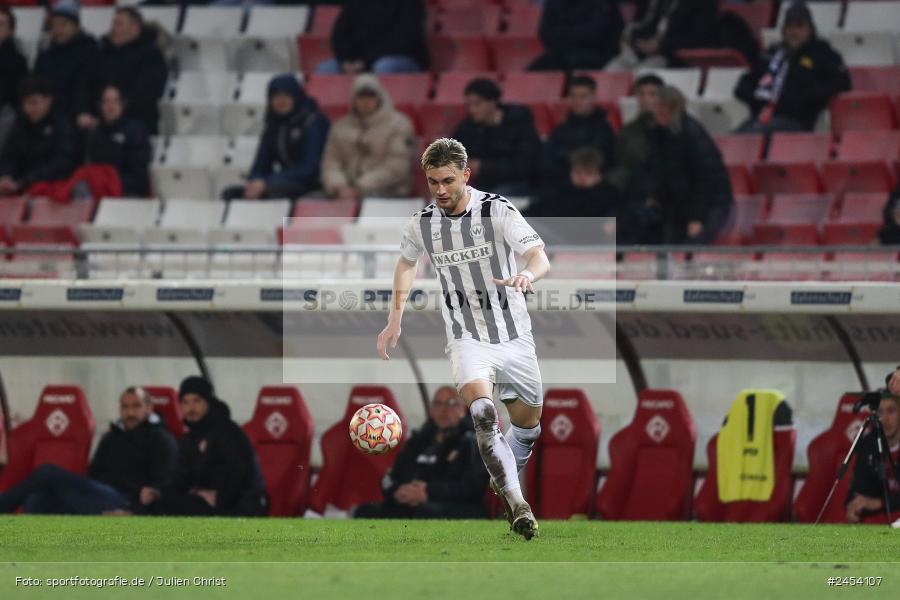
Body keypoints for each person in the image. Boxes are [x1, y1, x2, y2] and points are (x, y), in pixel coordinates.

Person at [377, 138, 552, 540]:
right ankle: (518, 504)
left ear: (466, 176)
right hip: (466, 337)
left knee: (527, 428)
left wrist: (528, 275)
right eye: (433, 181)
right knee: (483, 414)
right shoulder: (422, 223)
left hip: (515, 337)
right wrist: (394, 319)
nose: (440, 190)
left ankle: (503, 475)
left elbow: (539, 257)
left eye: (448, 181)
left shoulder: (497, 210)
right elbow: (406, 264)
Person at [0, 387, 178, 515]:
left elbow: (162, 485)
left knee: (47, 471)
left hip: (126, 500)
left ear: (149, 408)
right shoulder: (111, 437)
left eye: (136, 406)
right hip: (99, 494)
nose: (130, 412)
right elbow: (93, 473)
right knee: (37, 499)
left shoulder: (161, 439)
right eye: (125, 407)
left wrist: (133, 511)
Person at [354, 386, 489, 519]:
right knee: (365, 511)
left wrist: (428, 492)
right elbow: (391, 477)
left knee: (424, 512)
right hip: (412, 502)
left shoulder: (472, 442)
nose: (444, 410)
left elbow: (474, 487)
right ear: (432, 410)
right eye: (438, 404)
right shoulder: (418, 440)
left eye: (451, 403)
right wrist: (397, 491)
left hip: (453, 505)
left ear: (462, 409)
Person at [145, 376, 268, 517]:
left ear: (208, 402)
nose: (191, 408)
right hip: (207, 499)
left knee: (191, 507)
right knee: (163, 504)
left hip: (241, 501)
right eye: (185, 402)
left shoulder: (228, 431)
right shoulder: (189, 439)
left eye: (197, 401)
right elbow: (180, 477)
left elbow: (239, 473)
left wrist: (219, 496)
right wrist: (160, 492)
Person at [633, 85, 733, 245]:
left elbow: (706, 179)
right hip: (678, 204)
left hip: (709, 204)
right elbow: (657, 170)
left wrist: (697, 218)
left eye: (663, 107)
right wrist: (654, 195)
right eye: (657, 107)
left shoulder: (693, 134)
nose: (658, 112)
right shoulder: (657, 133)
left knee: (691, 249)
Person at [735, 2, 851, 134]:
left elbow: (842, 82)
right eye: (789, 26)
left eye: (799, 26)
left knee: (753, 134)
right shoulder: (772, 52)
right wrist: (754, 98)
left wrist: (805, 98)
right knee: (731, 141)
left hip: (795, 121)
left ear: (810, 28)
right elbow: (746, 82)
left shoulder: (821, 52)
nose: (793, 32)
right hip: (760, 118)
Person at [222, 74, 329, 201]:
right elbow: (261, 164)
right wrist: (254, 181)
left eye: (286, 95)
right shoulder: (273, 126)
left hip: (312, 182)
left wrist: (267, 182)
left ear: (297, 96)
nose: (281, 101)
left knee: (274, 189)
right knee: (231, 194)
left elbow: (310, 168)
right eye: (276, 96)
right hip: (283, 181)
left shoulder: (314, 122)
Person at [321, 75, 415, 201]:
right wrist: (338, 186)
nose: (366, 101)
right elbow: (331, 163)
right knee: (309, 202)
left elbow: (397, 166)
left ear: (380, 97)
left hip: (388, 191)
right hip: (344, 191)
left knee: (368, 200)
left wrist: (361, 186)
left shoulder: (399, 124)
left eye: (371, 96)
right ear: (353, 99)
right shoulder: (340, 127)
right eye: (361, 96)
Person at [451, 79, 541, 198]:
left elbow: (524, 165)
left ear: (493, 102)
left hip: (518, 184)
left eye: (477, 104)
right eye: (469, 105)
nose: (472, 110)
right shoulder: (468, 127)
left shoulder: (519, 124)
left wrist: (483, 167)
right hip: (484, 184)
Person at [87, 6, 168, 136]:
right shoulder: (104, 52)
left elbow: (147, 92)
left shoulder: (151, 55)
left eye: (119, 24)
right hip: (103, 122)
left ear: (135, 27)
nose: (113, 28)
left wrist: (117, 107)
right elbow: (90, 85)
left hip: (137, 123)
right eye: (113, 23)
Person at [0, 77, 78, 197]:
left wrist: (27, 181)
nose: (29, 108)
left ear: (48, 100)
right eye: (25, 103)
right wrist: (6, 176)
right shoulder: (21, 124)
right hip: (18, 188)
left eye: (34, 102)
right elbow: (9, 155)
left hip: (52, 191)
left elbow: (62, 162)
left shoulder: (62, 125)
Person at [541, 75, 616, 194]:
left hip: (591, 187)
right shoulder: (561, 129)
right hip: (560, 183)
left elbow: (597, 159)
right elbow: (548, 158)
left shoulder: (604, 130)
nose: (577, 101)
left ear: (593, 97)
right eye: (573, 96)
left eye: (583, 96)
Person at [528, 147, 621, 238]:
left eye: (589, 173)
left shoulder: (611, 196)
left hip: (596, 245)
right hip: (559, 242)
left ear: (599, 174)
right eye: (578, 172)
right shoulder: (559, 192)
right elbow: (535, 212)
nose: (583, 177)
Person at [845, 374, 900, 524]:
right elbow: (859, 488)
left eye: (891, 411)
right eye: (880, 413)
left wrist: (879, 502)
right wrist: (853, 505)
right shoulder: (868, 444)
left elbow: (875, 501)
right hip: (883, 518)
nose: (885, 419)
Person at [318, 0, 428, 75]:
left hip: (402, 59)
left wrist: (365, 62)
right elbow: (339, 37)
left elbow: (403, 41)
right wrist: (346, 61)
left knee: (384, 67)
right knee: (326, 69)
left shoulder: (410, 3)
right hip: (360, 61)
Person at [606, 0, 719, 71]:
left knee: (643, 77)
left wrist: (661, 46)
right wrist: (636, 40)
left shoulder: (704, 3)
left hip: (673, 57)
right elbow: (644, 24)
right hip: (642, 54)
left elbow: (699, 38)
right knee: (609, 73)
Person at [33, 0, 99, 120]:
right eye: (54, 25)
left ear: (76, 26)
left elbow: (85, 86)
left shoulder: (89, 51)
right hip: (45, 114)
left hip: (74, 117)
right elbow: (35, 82)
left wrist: (82, 111)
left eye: (63, 25)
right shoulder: (47, 52)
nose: (57, 30)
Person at [82, 85, 152, 197]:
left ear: (122, 104)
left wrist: (110, 181)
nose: (111, 106)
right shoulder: (95, 133)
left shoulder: (135, 131)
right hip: (100, 190)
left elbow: (140, 178)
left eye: (115, 101)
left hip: (127, 192)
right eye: (106, 101)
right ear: (100, 106)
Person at [528, 0, 624, 72]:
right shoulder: (554, 3)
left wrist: (561, 33)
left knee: (576, 66)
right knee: (534, 70)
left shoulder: (601, 3)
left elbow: (594, 33)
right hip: (560, 53)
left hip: (596, 54)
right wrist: (571, 34)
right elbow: (544, 33)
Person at [606, 74, 663, 194]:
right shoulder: (627, 131)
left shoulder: (673, 129)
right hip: (632, 189)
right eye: (641, 94)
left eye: (652, 94)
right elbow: (618, 163)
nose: (646, 99)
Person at [0, 7, 28, 154]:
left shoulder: (17, 61)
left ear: (11, 30)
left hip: (6, 114)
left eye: (1, 24)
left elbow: (15, 97)